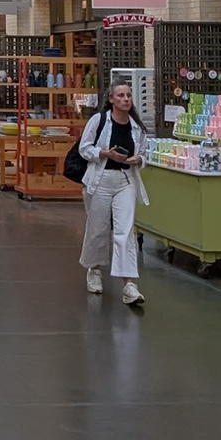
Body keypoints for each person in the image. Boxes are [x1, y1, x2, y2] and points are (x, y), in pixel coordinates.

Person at [76, 80, 149, 307]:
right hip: (101, 180)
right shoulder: (99, 121)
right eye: (120, 95)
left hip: (125, 180)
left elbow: (144, 152)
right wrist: (105, 153)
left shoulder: (136, 126)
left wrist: (139, 159)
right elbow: (84, 147)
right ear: (111, 99)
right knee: (98, 227)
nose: (125, 99)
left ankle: (128, 283)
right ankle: (94, 269)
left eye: (128, 95)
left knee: (125, 230)